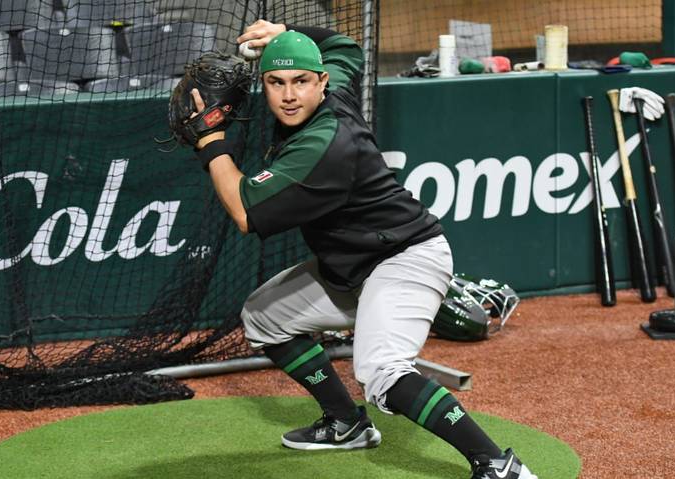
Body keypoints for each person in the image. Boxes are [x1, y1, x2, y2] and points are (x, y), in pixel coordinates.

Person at [187, 19, 538, 479]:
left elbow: (244, 212)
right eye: (276, 83)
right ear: (265, 84)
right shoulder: (334, 88)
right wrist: (287, 31)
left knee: (382, 373)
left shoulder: (323, 144)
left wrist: (211, 143)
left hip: (405, 259)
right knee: (264, 318)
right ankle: (346, 424)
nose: (289, 95)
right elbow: (345, 46)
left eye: (300, 82)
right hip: (352, 267)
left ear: (321, 82)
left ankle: (499, 464)